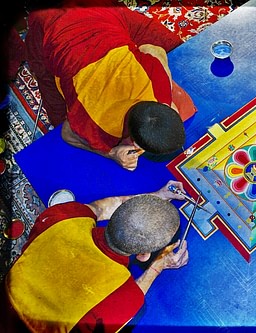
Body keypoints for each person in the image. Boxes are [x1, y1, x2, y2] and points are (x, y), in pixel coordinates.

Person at [24, 5, 197, 170]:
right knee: (57, 115)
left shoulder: (159, 88)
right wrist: (111, 153)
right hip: (50, 25)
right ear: (133, 142)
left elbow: (154, 49)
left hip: (99, 14)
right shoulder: (102, 128)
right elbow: (67, 134)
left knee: (174, 45)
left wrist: (165, 88)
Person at [2, 180, 189, 332]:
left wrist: (157, 197)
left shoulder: (63, 216)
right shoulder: (124, 296)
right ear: (143, 255)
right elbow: (134, 295)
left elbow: (100, 209)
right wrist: (159, 265)